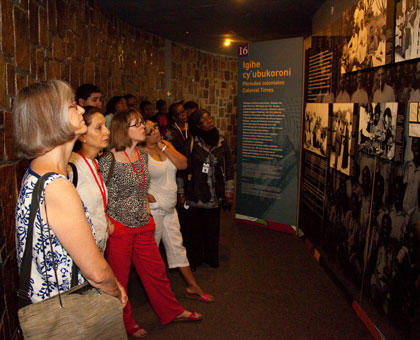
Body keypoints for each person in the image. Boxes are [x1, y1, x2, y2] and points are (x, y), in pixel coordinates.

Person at [13, 80, 127, 307]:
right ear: (51, 117)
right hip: (69, 309)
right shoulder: (57, 185)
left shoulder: (38, 170)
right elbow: (97, 272)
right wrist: (115, 290)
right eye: (73, 105)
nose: (82, 109)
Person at [98, 108, 202, 337]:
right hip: (120, 229)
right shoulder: (107, 161)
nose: (143, 127)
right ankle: (125, 324)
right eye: (136, 124)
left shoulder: (142, 155)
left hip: (144, 224)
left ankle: (171, 311)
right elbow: (97, 194)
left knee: (156, 273)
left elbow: (142, 186)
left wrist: (145, 206)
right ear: (123, 131)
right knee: (119, 281)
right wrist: (106, 220)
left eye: (141, 124)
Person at [143, 120, 214, 302]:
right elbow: (134, 179)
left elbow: (183, 164)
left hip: (170, 208)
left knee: (177, 248)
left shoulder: (165, 145)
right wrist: (146, 196)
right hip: (155, 209)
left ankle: (193, 286)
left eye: (156, 128)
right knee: (151, 255)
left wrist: (162, 146)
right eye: (151, 131)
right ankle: (155, 294)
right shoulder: (140, 152)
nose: (156, 132)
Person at [178, 109, 234, 270]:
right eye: (205, 120)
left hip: (215, 195)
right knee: (194, 230)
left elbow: (229, 167)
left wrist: (229, 190)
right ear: (197, 125)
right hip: (195, 194)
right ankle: (195, 259)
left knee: (212, 229)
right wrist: (181, 193)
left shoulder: (221, 141)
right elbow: (182, 171)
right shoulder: (190, 144)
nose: (210, 121)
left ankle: (211, 257)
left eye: (210, 118)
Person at [69, 106, 111, 254]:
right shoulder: (72, 167)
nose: (107, 131)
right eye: (99, 128)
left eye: (105, 126)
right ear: (82, 136)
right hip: (83, 248)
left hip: (99, 242)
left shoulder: (95, 162)